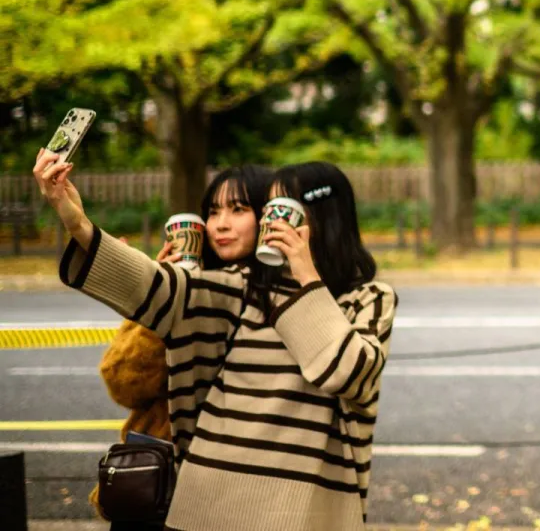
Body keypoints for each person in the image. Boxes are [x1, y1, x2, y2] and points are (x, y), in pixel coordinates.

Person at [34, 154, 395, 531]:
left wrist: (306, 274)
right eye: (268, 210)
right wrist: (78, 224)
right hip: (209, 501)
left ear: (322, 216)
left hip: (304, 506)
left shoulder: (369, 298)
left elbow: (350, 375)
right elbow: (162, 291)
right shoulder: (245, 285)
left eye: (281, 209)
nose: (272, 221)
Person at [90, 166, 272, 531]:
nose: (220, 224)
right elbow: (122, 381)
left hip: (247, 487)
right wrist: (159, 295)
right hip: (165, 484)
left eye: (238, 210)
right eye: (214, 212)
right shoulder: (179, 288)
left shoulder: (284, 296)